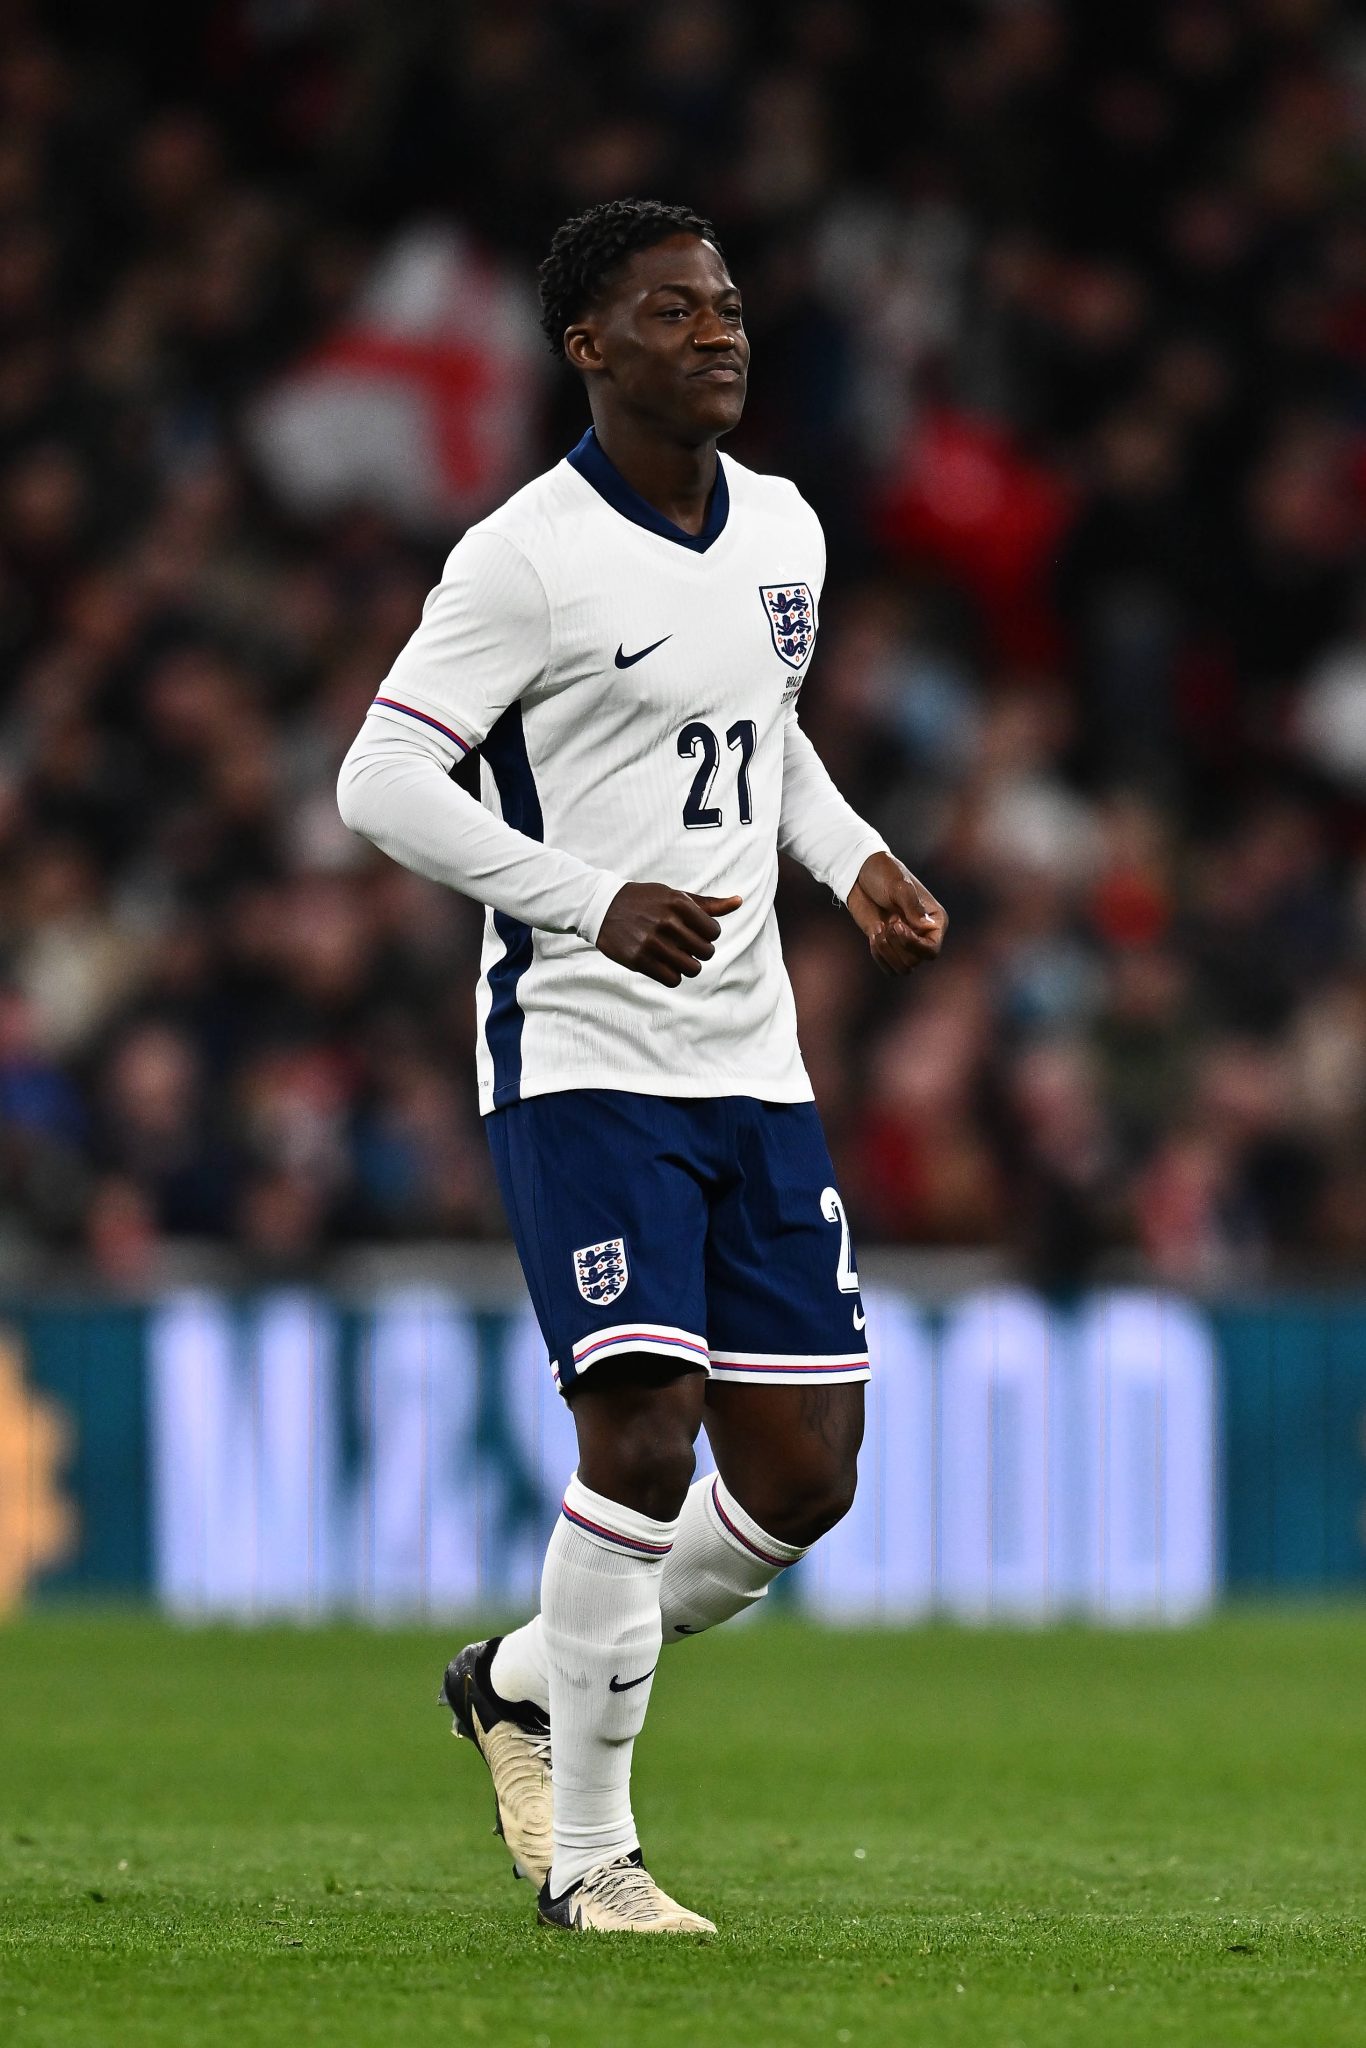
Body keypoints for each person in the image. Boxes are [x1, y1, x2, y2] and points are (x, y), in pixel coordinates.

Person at [336, 198, 946, 1935]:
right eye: (672, 310)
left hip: (752, 1059)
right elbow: (378, 781)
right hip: (582, 1052)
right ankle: (591, 1860)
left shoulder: (786, 529)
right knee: (643, 1430)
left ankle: (524, 1677)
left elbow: (764, 733)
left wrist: (852, 859)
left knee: (805, 1477)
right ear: (587, 347)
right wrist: (586, 901)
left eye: (726, 302)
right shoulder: (521, 557)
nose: (718, 330)